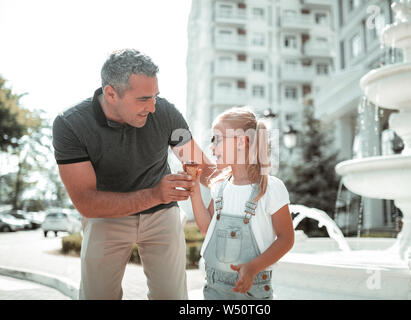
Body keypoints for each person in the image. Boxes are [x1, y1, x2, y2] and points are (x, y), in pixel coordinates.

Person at [52, 48, 215, 300]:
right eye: (143, 99)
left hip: (162, 215)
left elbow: (198, 162)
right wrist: (154, 193)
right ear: (111, 93)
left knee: (172, 297)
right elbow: (86, 202)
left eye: (155, 97)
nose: (152, 107)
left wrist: (236, 187)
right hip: (106, 216)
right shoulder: (70, 125)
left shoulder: (165, 112)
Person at [188, 106, 295, 300]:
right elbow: (207, 228)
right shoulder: (220, 186)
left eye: (217, 139)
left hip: (251, 290)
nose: (212, 147)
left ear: (240, 142)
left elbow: (286, 238)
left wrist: (253, 267)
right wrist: (194, 190)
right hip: (214, 286)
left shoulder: (271, 188)